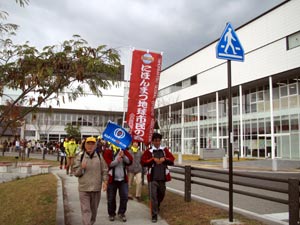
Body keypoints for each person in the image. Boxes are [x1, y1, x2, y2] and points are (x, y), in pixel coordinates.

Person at [73, 136, 108, 225]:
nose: (90, 146)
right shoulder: (80, 157)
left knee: (94, 211)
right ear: (85, 145)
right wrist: (82, 168)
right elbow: (76, 173)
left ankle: (91, 222)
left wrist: (105, 182)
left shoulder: (100, 157)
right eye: (88, 144)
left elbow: (104, 170)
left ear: (95, 145)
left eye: (92, 144)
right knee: (86, 210)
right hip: (84, 189)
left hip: (96, 188)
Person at [141, 133, 175, 223]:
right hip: (152, 178)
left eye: (159, 141)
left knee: (162, 194)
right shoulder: (149, 151)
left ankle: (157, 205)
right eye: (155, 141)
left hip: (162, 177)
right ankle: (154, 215)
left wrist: (165, 159)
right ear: (152, 141)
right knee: (153, 197)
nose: (157, 142)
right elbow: (143, 161)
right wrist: (152, 160)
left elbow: (172, 159)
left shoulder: (164, 150)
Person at [103, 143, 133, 222]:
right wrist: (117, 160)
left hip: (123, 179)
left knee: (124, 197)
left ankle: (121, 213)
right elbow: (109, 164)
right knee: (111, 198)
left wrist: (123, 156)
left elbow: (129, 161)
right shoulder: (108, 151)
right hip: (112, 179)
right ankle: (111, 214)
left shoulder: (123, 150)